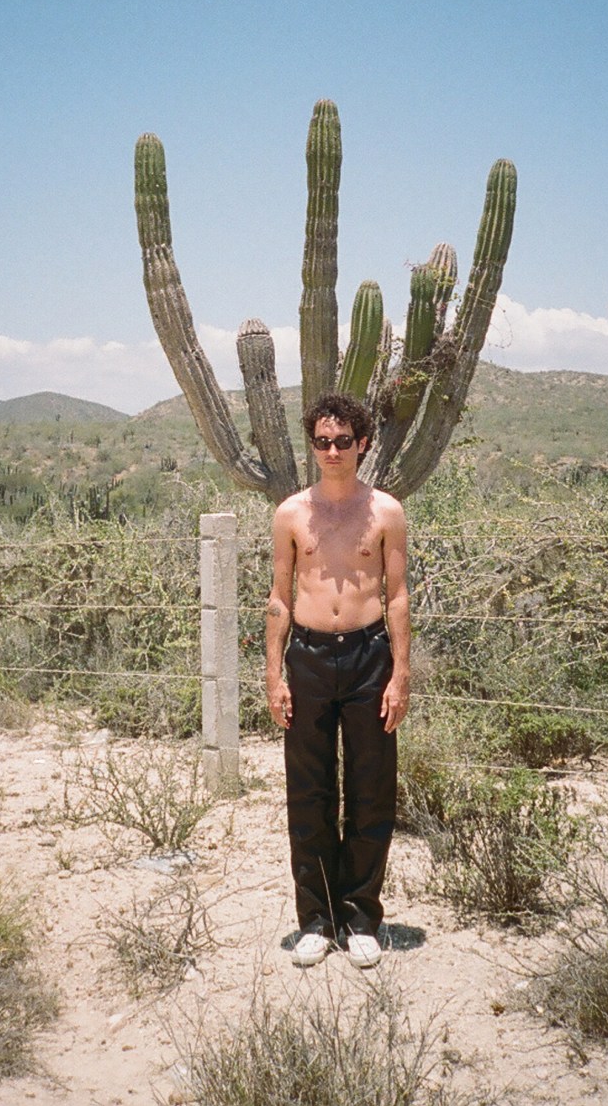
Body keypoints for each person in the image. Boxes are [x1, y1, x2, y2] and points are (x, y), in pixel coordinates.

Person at [265, 391, 411, 970]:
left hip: (369, 654)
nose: (331, 451)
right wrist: (273, 672)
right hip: (307, 657)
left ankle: (361, 917)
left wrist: (401, 673)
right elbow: (279, 596)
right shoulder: (290, 514)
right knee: (309, 791)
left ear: (363, 444)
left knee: (372, 787)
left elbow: (397, 595)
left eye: (343, 441)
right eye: (322, 441)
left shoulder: (387, 512)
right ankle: (316, 920)